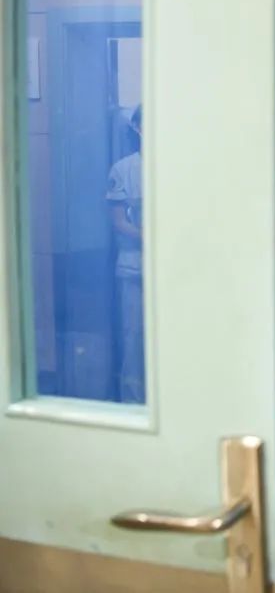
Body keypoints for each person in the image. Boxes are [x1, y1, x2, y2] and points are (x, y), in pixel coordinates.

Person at [107, 106, 144, 403]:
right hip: (134, 269)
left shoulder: (180, 167)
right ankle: (133, 408)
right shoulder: (123, 169)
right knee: (133, 343)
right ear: (137, 128)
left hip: (174, 272)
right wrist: (152, 237)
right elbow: (119, 222)